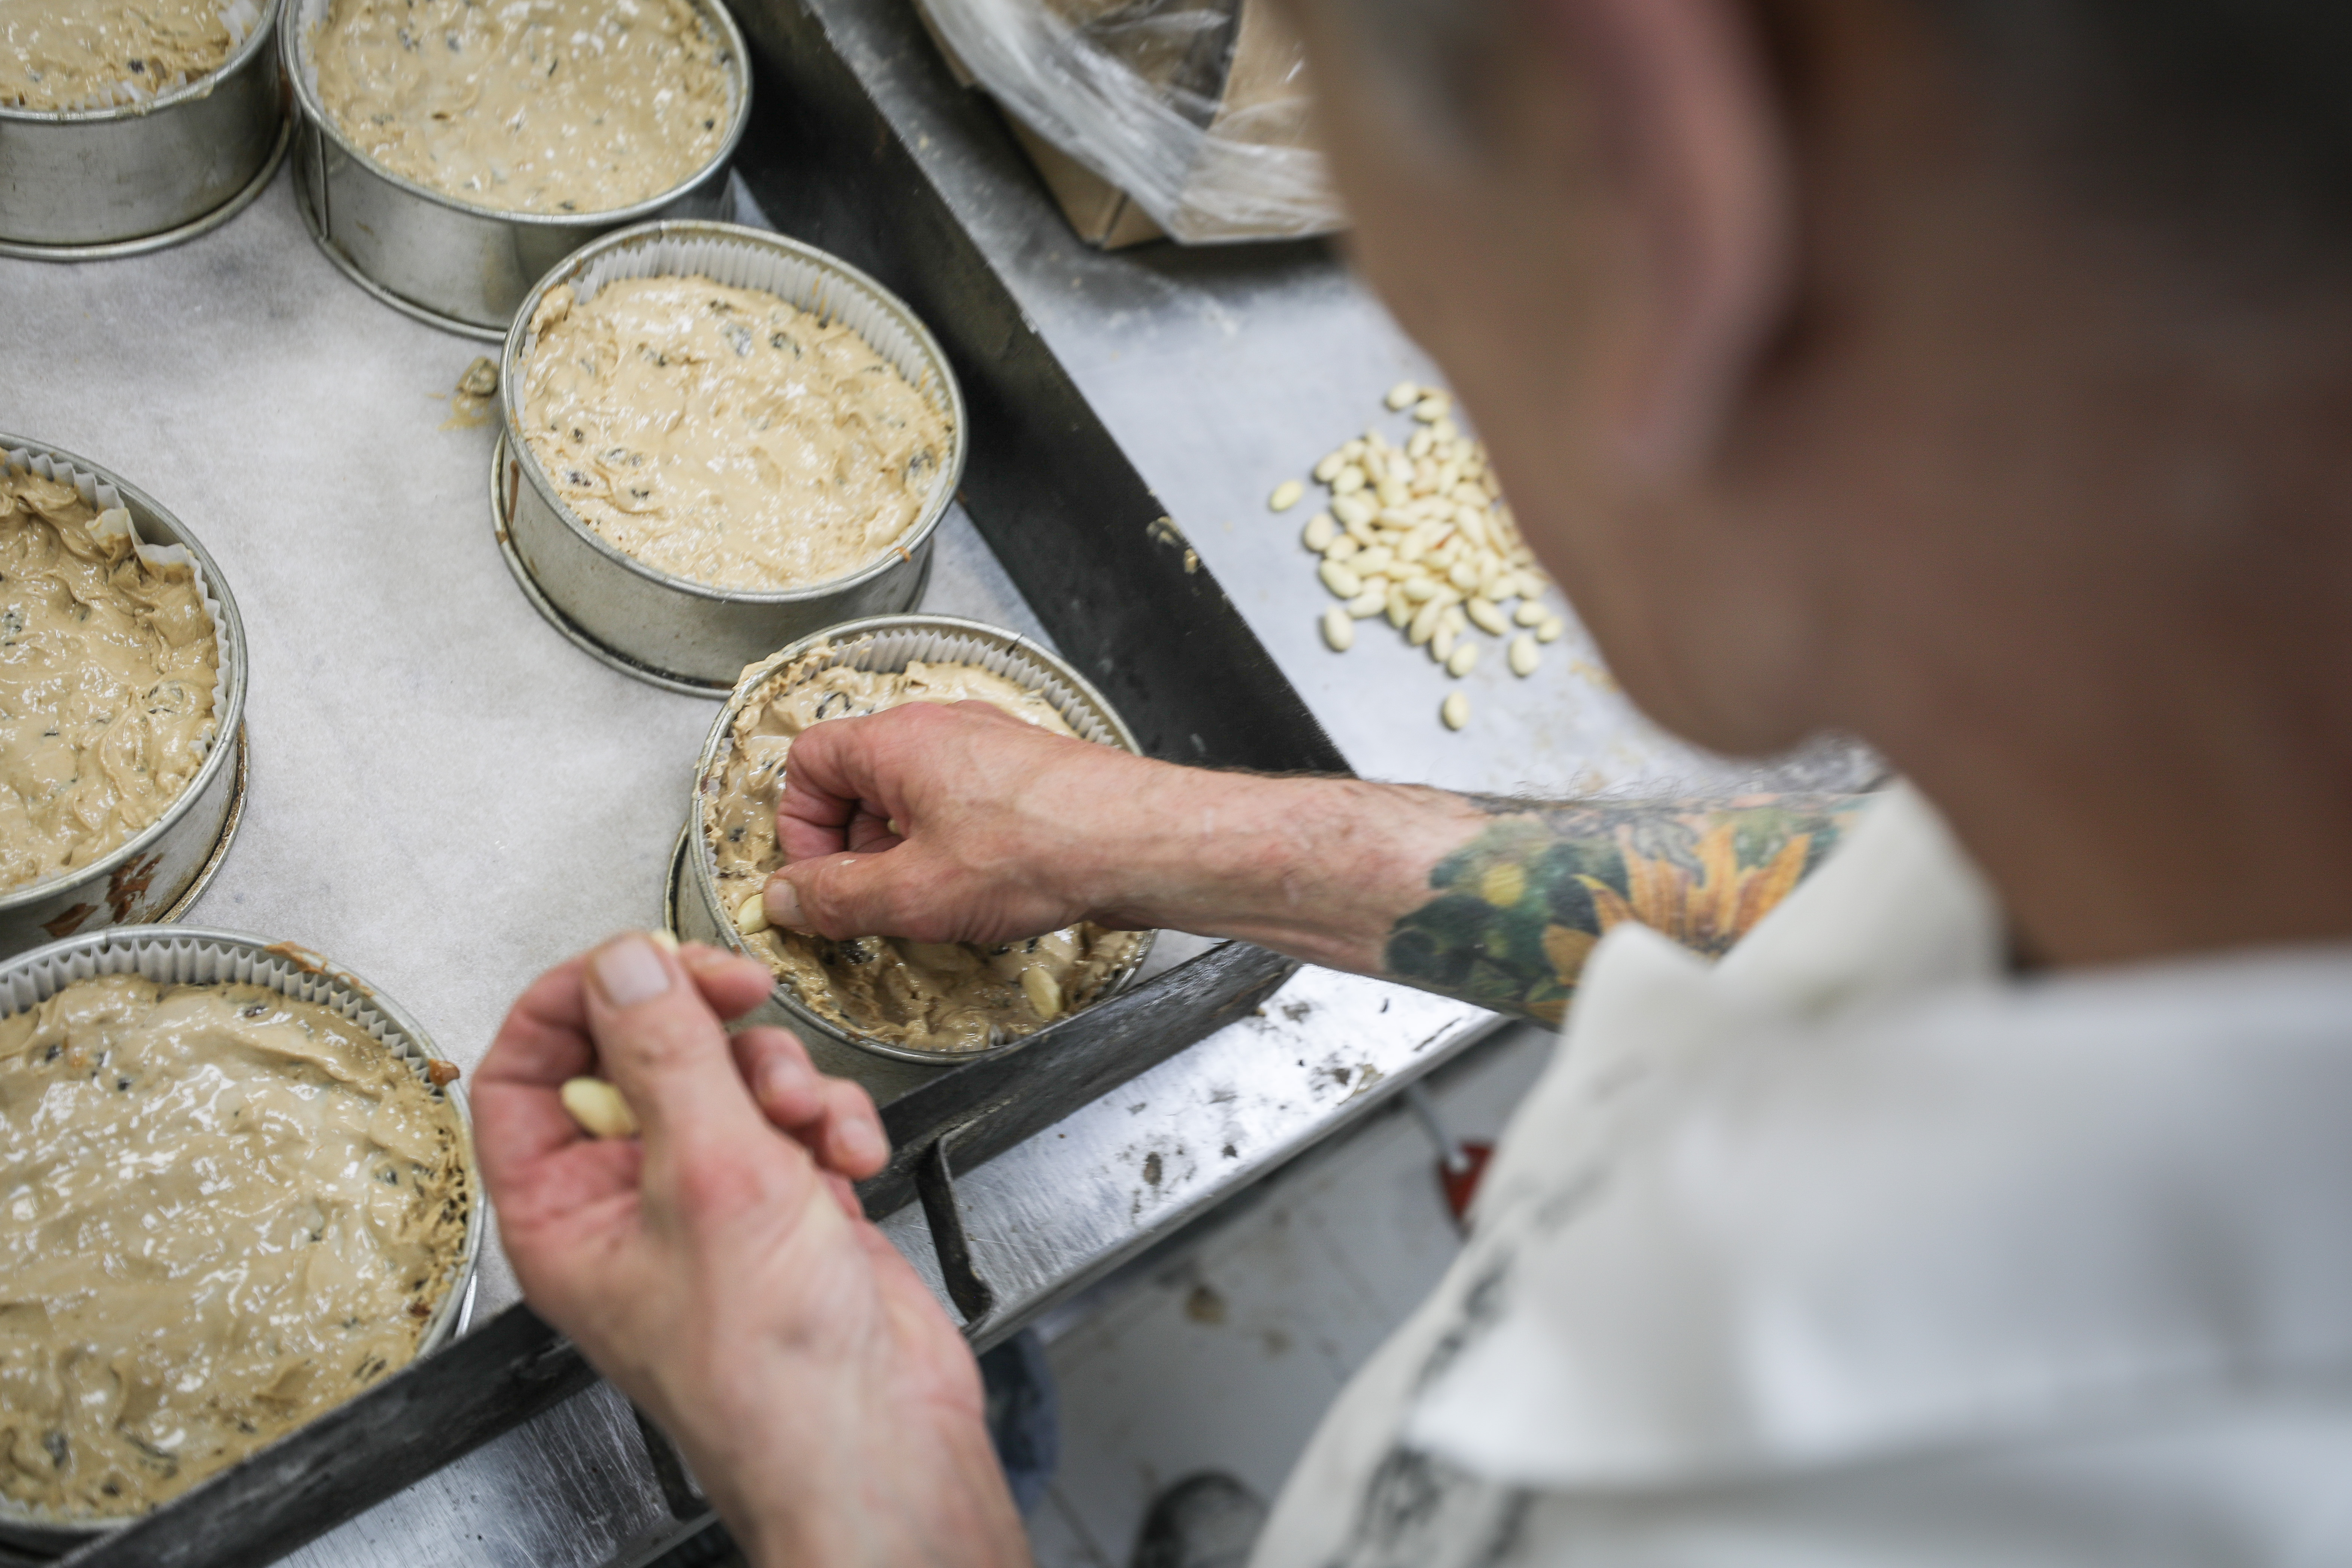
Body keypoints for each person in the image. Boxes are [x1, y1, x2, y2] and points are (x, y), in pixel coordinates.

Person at [474, 0, 2352, 1561]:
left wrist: (867, 1496)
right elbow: (1851, 879)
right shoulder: (2175, 819)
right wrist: (1140, 835)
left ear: (1636, 174)